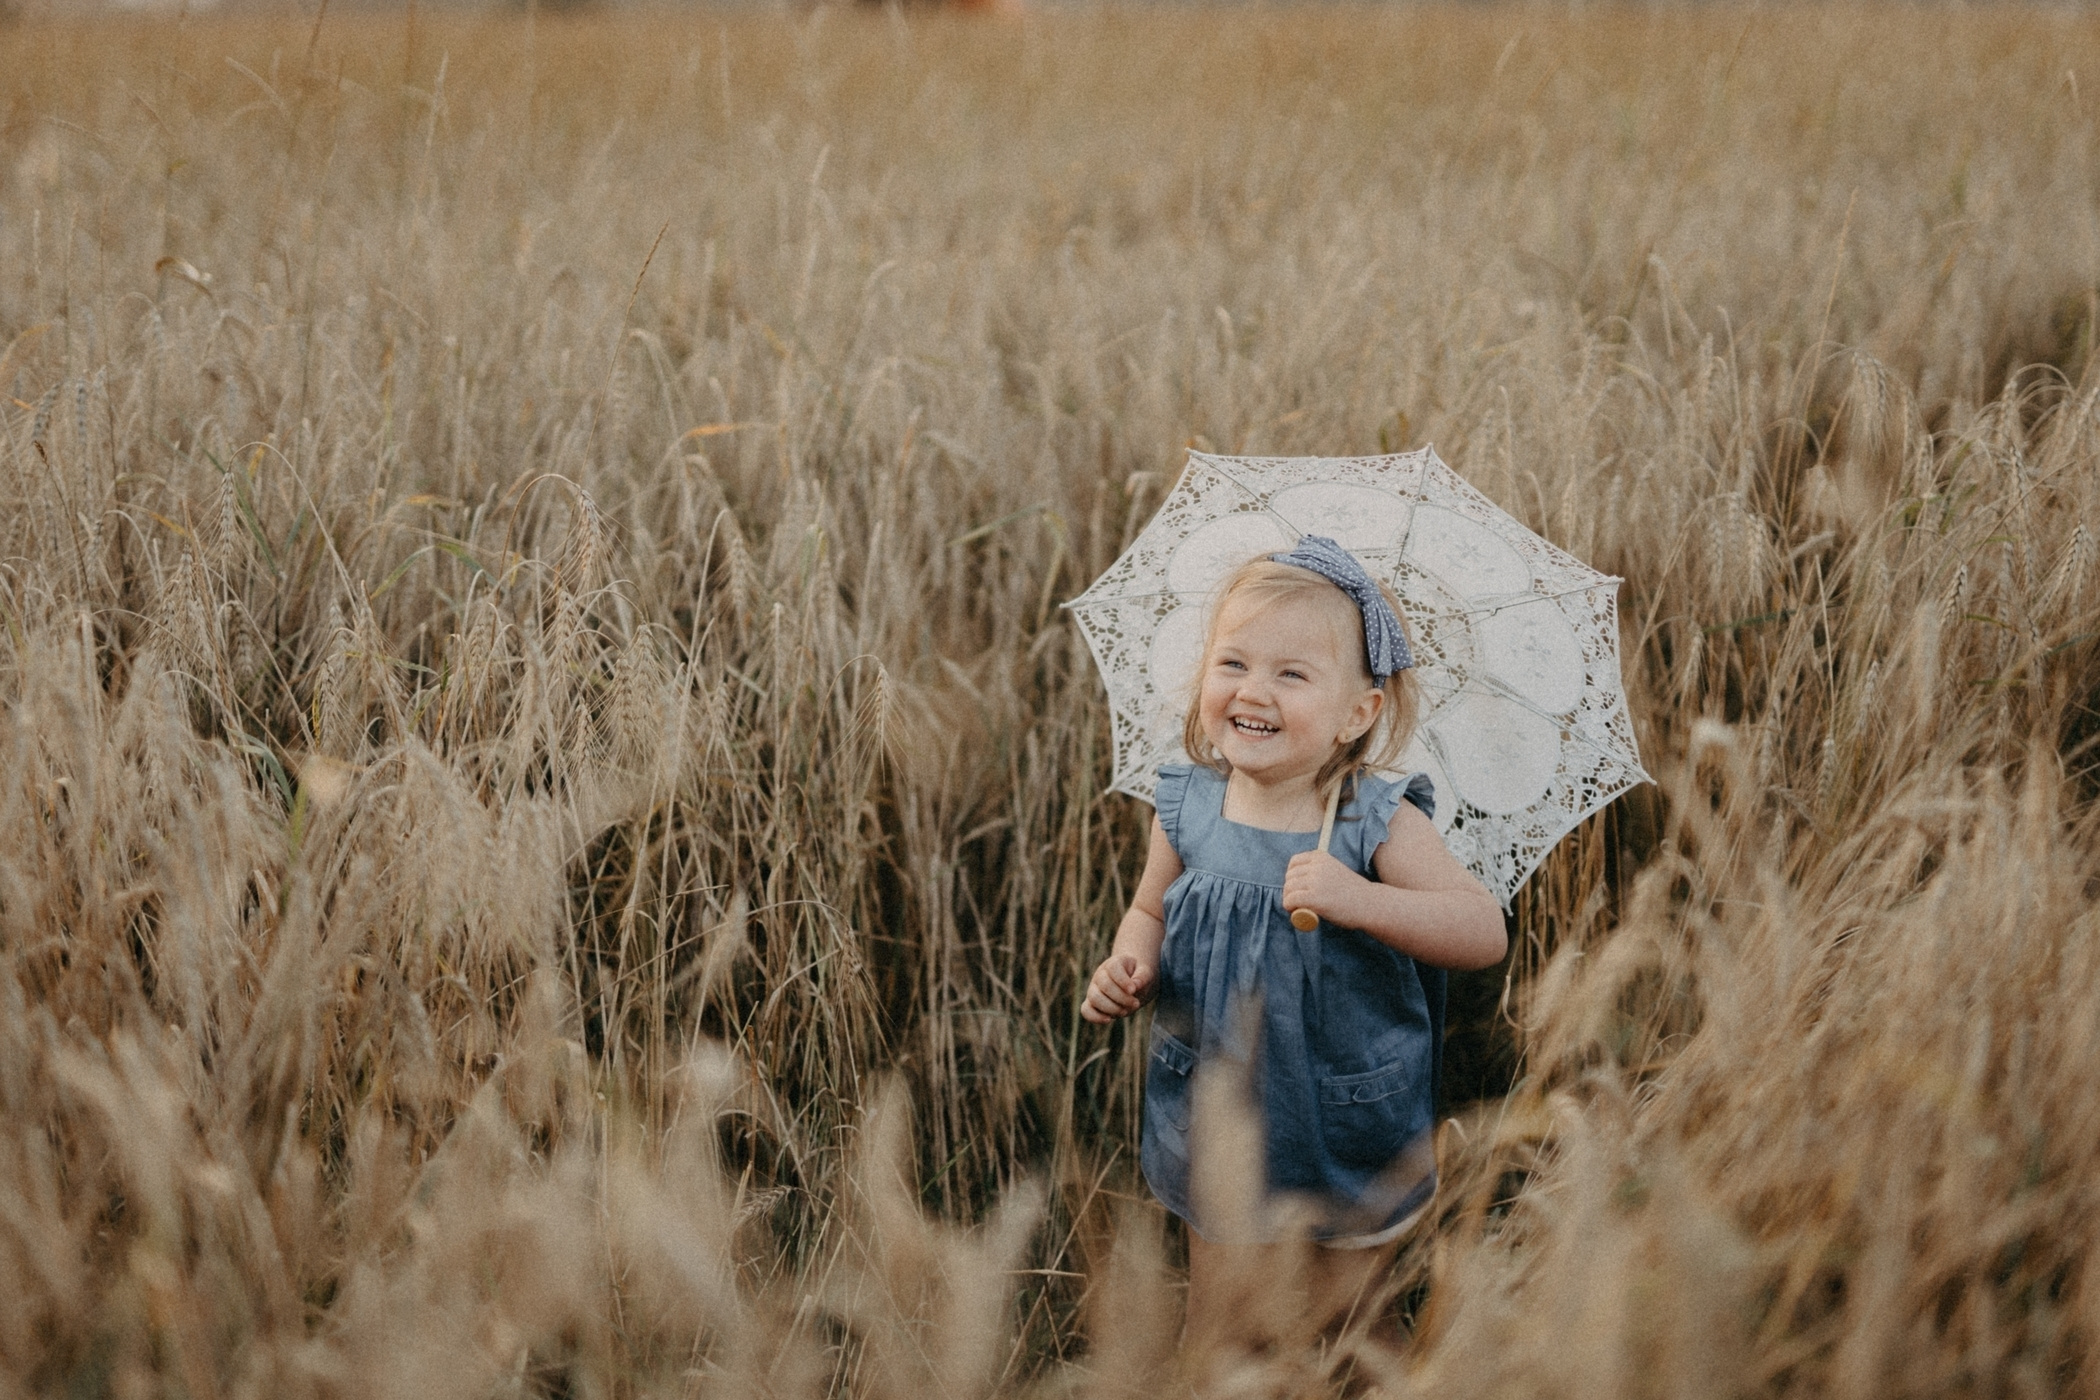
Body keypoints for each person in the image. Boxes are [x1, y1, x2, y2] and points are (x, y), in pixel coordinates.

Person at [1080, 535, 1506, 1339]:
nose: (1254, 691)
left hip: (1346, 1114)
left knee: (1351, 1325)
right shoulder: (1188, 806)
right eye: (1233, 663)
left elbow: (1481, 930)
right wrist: (1128, 962)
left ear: (1359, 713)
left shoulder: (1375, 821)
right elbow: (1149, 911)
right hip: (1219, 1106)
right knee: (1220, 1323)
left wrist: (1360, 899)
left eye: (1292, 674)